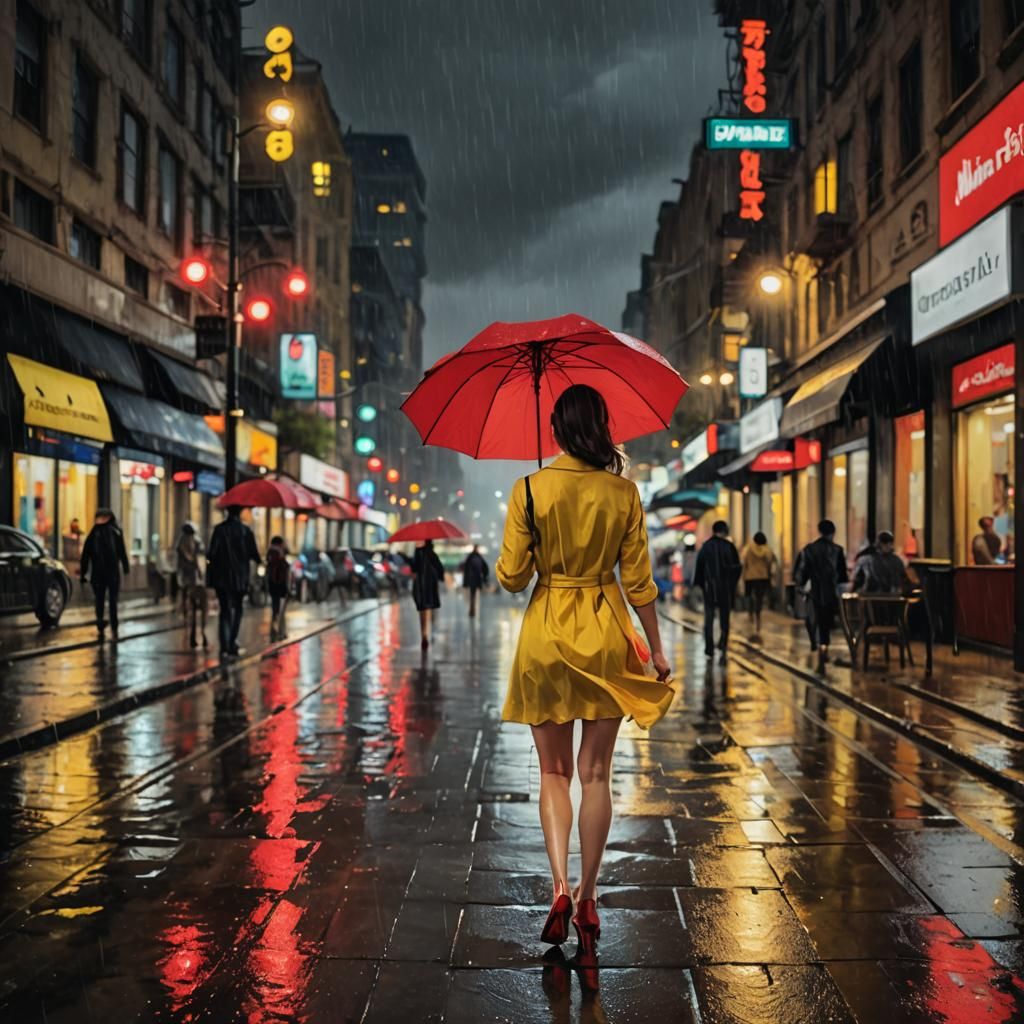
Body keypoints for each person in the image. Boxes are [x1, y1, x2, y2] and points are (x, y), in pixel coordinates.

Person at [496, 384, 673, 966]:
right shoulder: (623, 492)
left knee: (553, 771)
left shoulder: (529, 488)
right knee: (597, 772)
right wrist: (656, 648)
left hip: (546, 634)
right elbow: (639, 581)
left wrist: (529, 520)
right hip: (605, 634)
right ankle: (592, 895)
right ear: (600, 425)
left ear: (555, 429)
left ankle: (559, 888)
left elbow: (512, 578)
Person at [206, 506, 260, 659]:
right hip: (240, 579)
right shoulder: (246, 531)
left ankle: (224, 645)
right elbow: (254, 555)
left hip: (222, 579)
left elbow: (211, 554)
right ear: (240, 513)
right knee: (238, 609)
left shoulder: (219, 530)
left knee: (224, 611)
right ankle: (232, 642)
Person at [794, 519, 849, 672]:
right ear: (833, 533)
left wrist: (800, 586)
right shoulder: (838, 550)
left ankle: (818, 648)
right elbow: (843, 576)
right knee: (827, 622)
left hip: (814, 592)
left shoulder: (809, 550)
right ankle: (824, 650)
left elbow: (801, 572)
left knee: (815, 620)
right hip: (831, 593)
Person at [80, 509, 130, 642]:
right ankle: (112, 625)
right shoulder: (115, 532)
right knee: (112, 600)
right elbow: (121, 551)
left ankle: (101, 623)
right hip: (111, 573)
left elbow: (86, 554)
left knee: (100, 599)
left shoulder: (94, 533)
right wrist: (125, 567)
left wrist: (84, 572)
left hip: (99, 573)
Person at [693, 521, 741, 661]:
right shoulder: (730, 547)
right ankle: (723, 644)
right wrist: (732, 585)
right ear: (725, 531)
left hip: (709, 589)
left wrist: (700, 586)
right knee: (724, 618)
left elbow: (699, 569)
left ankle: (709, 648)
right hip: (725, 589)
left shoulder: (706, 547)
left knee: (709, 618)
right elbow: (737, 568)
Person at [741, 531, 777, 638]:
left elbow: (743, 560)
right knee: (759, 597)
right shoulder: (767, 550)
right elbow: (770, 562)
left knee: (750, 596)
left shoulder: (748, 548)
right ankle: (758, 615)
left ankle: (750, 612)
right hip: (762, 577)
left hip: (750, 576)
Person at [852, 530, 910, 594]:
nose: (888, 546)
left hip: (870, 596)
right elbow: (904, 580)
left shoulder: (864, 560)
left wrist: (852, 592)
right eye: (886, 543)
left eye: (889, 543)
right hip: (892, 596)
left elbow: (857, 581)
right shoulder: (897, 561)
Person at [412, 539, 445, 649]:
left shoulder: (418, 552)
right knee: (430, 609)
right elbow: (440, 570)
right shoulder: (432, 554)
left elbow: (414, 568)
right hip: (431, 586)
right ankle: (431, 631)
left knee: (422, 610)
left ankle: (424, 634)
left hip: (420, 586)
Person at [265, 536, 290, 641]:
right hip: (281, 584)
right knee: (281, 609)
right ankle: (280, 632)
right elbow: (286, 566)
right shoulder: (280, 552)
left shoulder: (269, 553)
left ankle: (274, 632)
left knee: (275, 608)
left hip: (272, 584)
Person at [462, 545, 490, 617]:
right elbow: (485, 568)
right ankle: (473, 609)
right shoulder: (479, 557)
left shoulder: (470, 557)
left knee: (472, 594)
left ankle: (472, 609)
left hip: (471, 580)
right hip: (477, 579)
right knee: (474, 594)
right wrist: (484, 578)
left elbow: (465, 568)